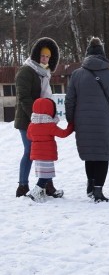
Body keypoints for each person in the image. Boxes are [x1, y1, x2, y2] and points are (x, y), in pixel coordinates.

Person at [65, 37, 109, 202]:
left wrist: (71, 120)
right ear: (102, 55)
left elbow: (70, 100)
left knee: (90, 154)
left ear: (87, 55)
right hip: (104, 122)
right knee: (102, 155)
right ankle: (98, 190)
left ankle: (90, 184)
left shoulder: (76, 74)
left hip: (83, 122)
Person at [14, 37, 60, 198]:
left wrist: (50, 115)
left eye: (47, 57)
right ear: (36, 55)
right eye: (42, 56)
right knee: (30, 152)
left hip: (43, 120)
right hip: (28, 120)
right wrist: (36, 117)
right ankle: (22, 186)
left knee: (44, 151)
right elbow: (23, 97)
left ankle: (47, 184)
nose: (45, 59)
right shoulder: (26, 71)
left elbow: (47, 98)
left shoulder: (44, 73)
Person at [25, 97, 74, 202]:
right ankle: (35, 192)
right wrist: (71, 125)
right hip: (46, 154)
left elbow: (29, 136)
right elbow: (63, 134)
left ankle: (42, 192)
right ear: (50, 110)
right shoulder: (49, 125)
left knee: (44, 173)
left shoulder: (32, 124)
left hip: (37, 154)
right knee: (46, 175)